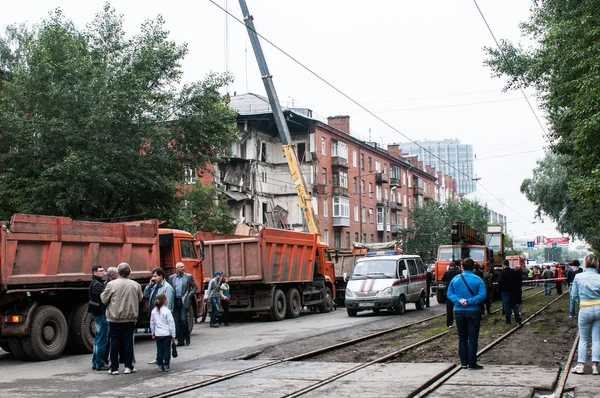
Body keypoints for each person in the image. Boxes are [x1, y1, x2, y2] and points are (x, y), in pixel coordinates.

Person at [100, 262, 143, 375]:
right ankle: (128, 366)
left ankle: (114, 368)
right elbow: (140, 298)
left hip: (114, 317)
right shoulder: (135, 285)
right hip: (130, 318)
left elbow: (104, 299)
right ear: (129, 272)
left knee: (114, 341)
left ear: (118, 272)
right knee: (128, 342)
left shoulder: (111, 284)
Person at [447, 257, 486, 370]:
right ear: (473, 266)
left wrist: (459, 301)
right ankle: (472, 363)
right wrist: (469, 302)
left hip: (459, 311)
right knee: (473, 338)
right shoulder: (478, 280)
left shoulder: (455, 279)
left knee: (462, 338)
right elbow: (482, 295)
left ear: (462, 267)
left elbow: (449, 293)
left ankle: (463, 362)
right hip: (473, 311)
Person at [570, 254, 600, 375]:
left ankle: (581, 365)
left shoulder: (578, 277)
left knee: (583, 339)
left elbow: (574, 295)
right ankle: (595, 367)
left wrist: (581, 302)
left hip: (585, 309)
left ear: (585, 263)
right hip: (599, 309)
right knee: (597, 339)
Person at [144, 268, 174, 364]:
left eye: (155, 276)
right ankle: (159, 358)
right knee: (158, 342)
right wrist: (150, 285)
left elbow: (169, 304)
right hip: (155, 314)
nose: (154, 278)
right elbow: (146, 294)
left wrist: (164, 315)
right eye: (153, 276)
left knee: (165, 342)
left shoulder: (167, 287)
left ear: (161, 276)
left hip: (163, 317)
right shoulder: (154, 286)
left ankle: (165, 361)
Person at [167, 262, 198, 346]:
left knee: (183, 320)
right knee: (177, 321)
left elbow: (195, 288)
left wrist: (189, 295)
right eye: (181, 267)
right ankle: (180, 340)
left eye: (183, 267)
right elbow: (169, 289)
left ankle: (187, 338)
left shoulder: (188, 276)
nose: (183, 268)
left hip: (184, 300)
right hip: (175, 301)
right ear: (177, 269)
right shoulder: (171, 278)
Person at [88, 265, 109, 371]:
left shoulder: (96, 283)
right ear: (94, 273)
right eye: (100, 271)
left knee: (98, 339)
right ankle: (100, 363)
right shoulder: (97, 285)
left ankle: (95, 362)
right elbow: (105, 298)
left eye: (103, 270)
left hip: (98, 313)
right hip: (101, 314)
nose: (103, 272)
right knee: (102, 339)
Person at [150, 293, 176, 372]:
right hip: (166, 334)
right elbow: (171, 323)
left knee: (159, 349)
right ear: (165, 301)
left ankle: (160, 365)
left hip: (158, 334)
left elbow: (152, 323)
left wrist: (153, 332)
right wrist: (173, 334)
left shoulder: (154, 311)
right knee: (166, 349)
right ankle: (166, 364)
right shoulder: (167, 311)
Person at [498, 260, 522, 325]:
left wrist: (499, 291)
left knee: (507, 307)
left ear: (503, 265)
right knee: (514, 306)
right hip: (513, 292)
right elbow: (517, 282)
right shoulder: (513, 272)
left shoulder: (502, 273)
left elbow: (500, 283)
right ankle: (518, 319)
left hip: (505, 292)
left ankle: (508, 321)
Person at [103, 267, 118, 365]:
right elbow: (105, 299)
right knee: (109, 339)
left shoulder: (109, 283)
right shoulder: (107, 285)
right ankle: (106, 360)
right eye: (116, 273)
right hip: (110, 314)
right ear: (113, 275)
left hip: (112, 313)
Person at [442, 261, 462, 328]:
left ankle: (449, 323)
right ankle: (459, 322)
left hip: (449, 292)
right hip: (457, 292)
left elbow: (443, 279)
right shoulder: (459, 273)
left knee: (449, 308)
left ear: (449, 266)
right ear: (456, 266)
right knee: (459, 307)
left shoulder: (447, 272)